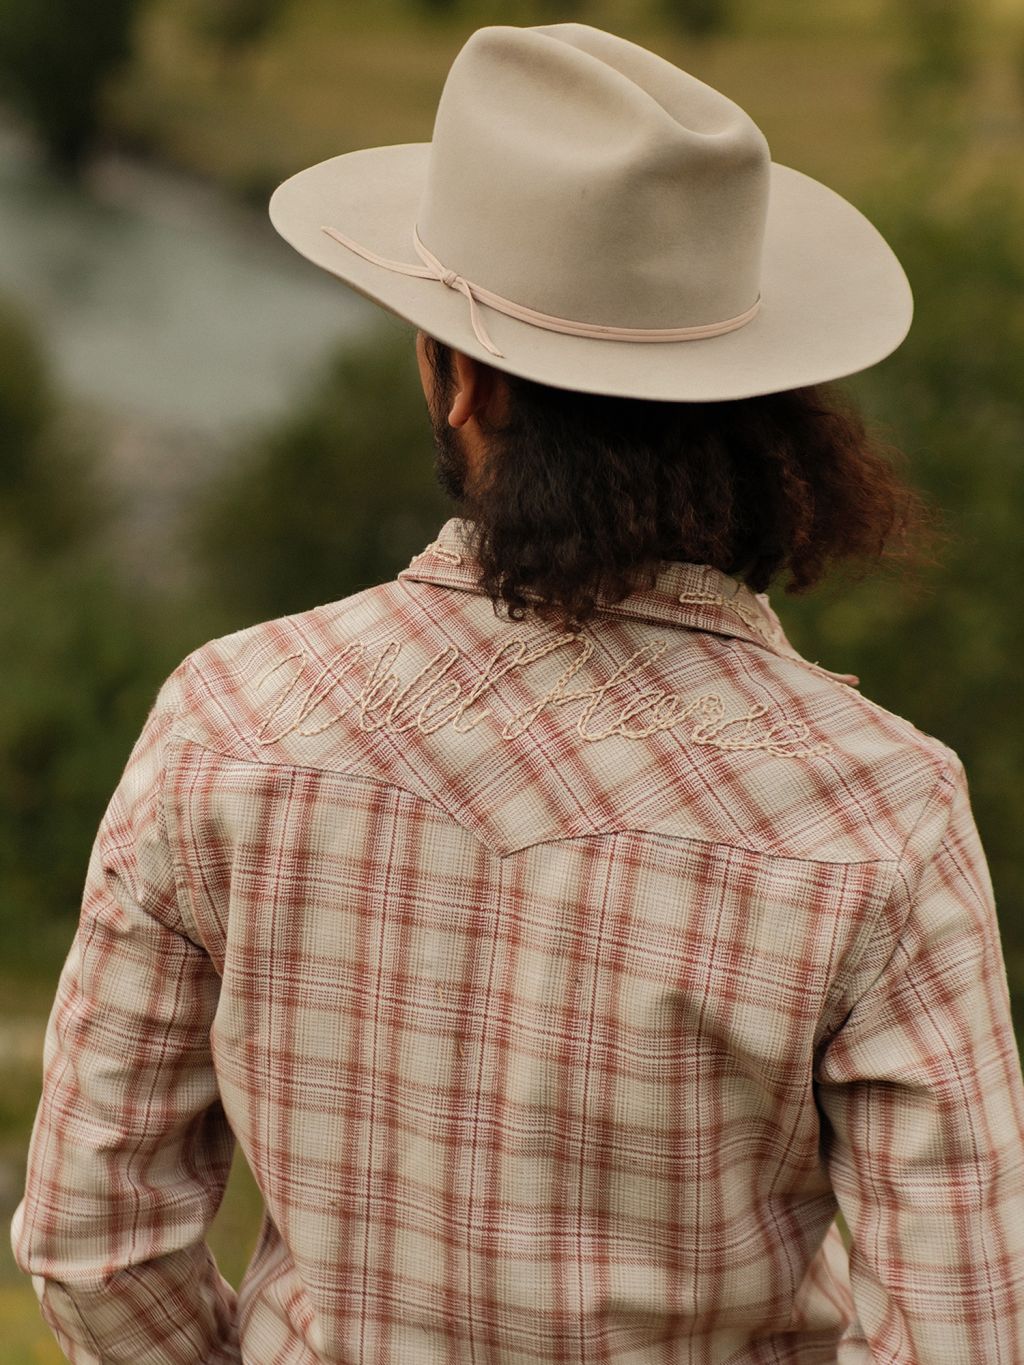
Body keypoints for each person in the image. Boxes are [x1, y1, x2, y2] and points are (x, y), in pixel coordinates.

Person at [12, 21, 1024, 1365]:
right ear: (753, 398)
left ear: (464, 380)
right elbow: (961, 1330)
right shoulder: (885, 812)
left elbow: (93, 1243)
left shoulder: (231, 721)